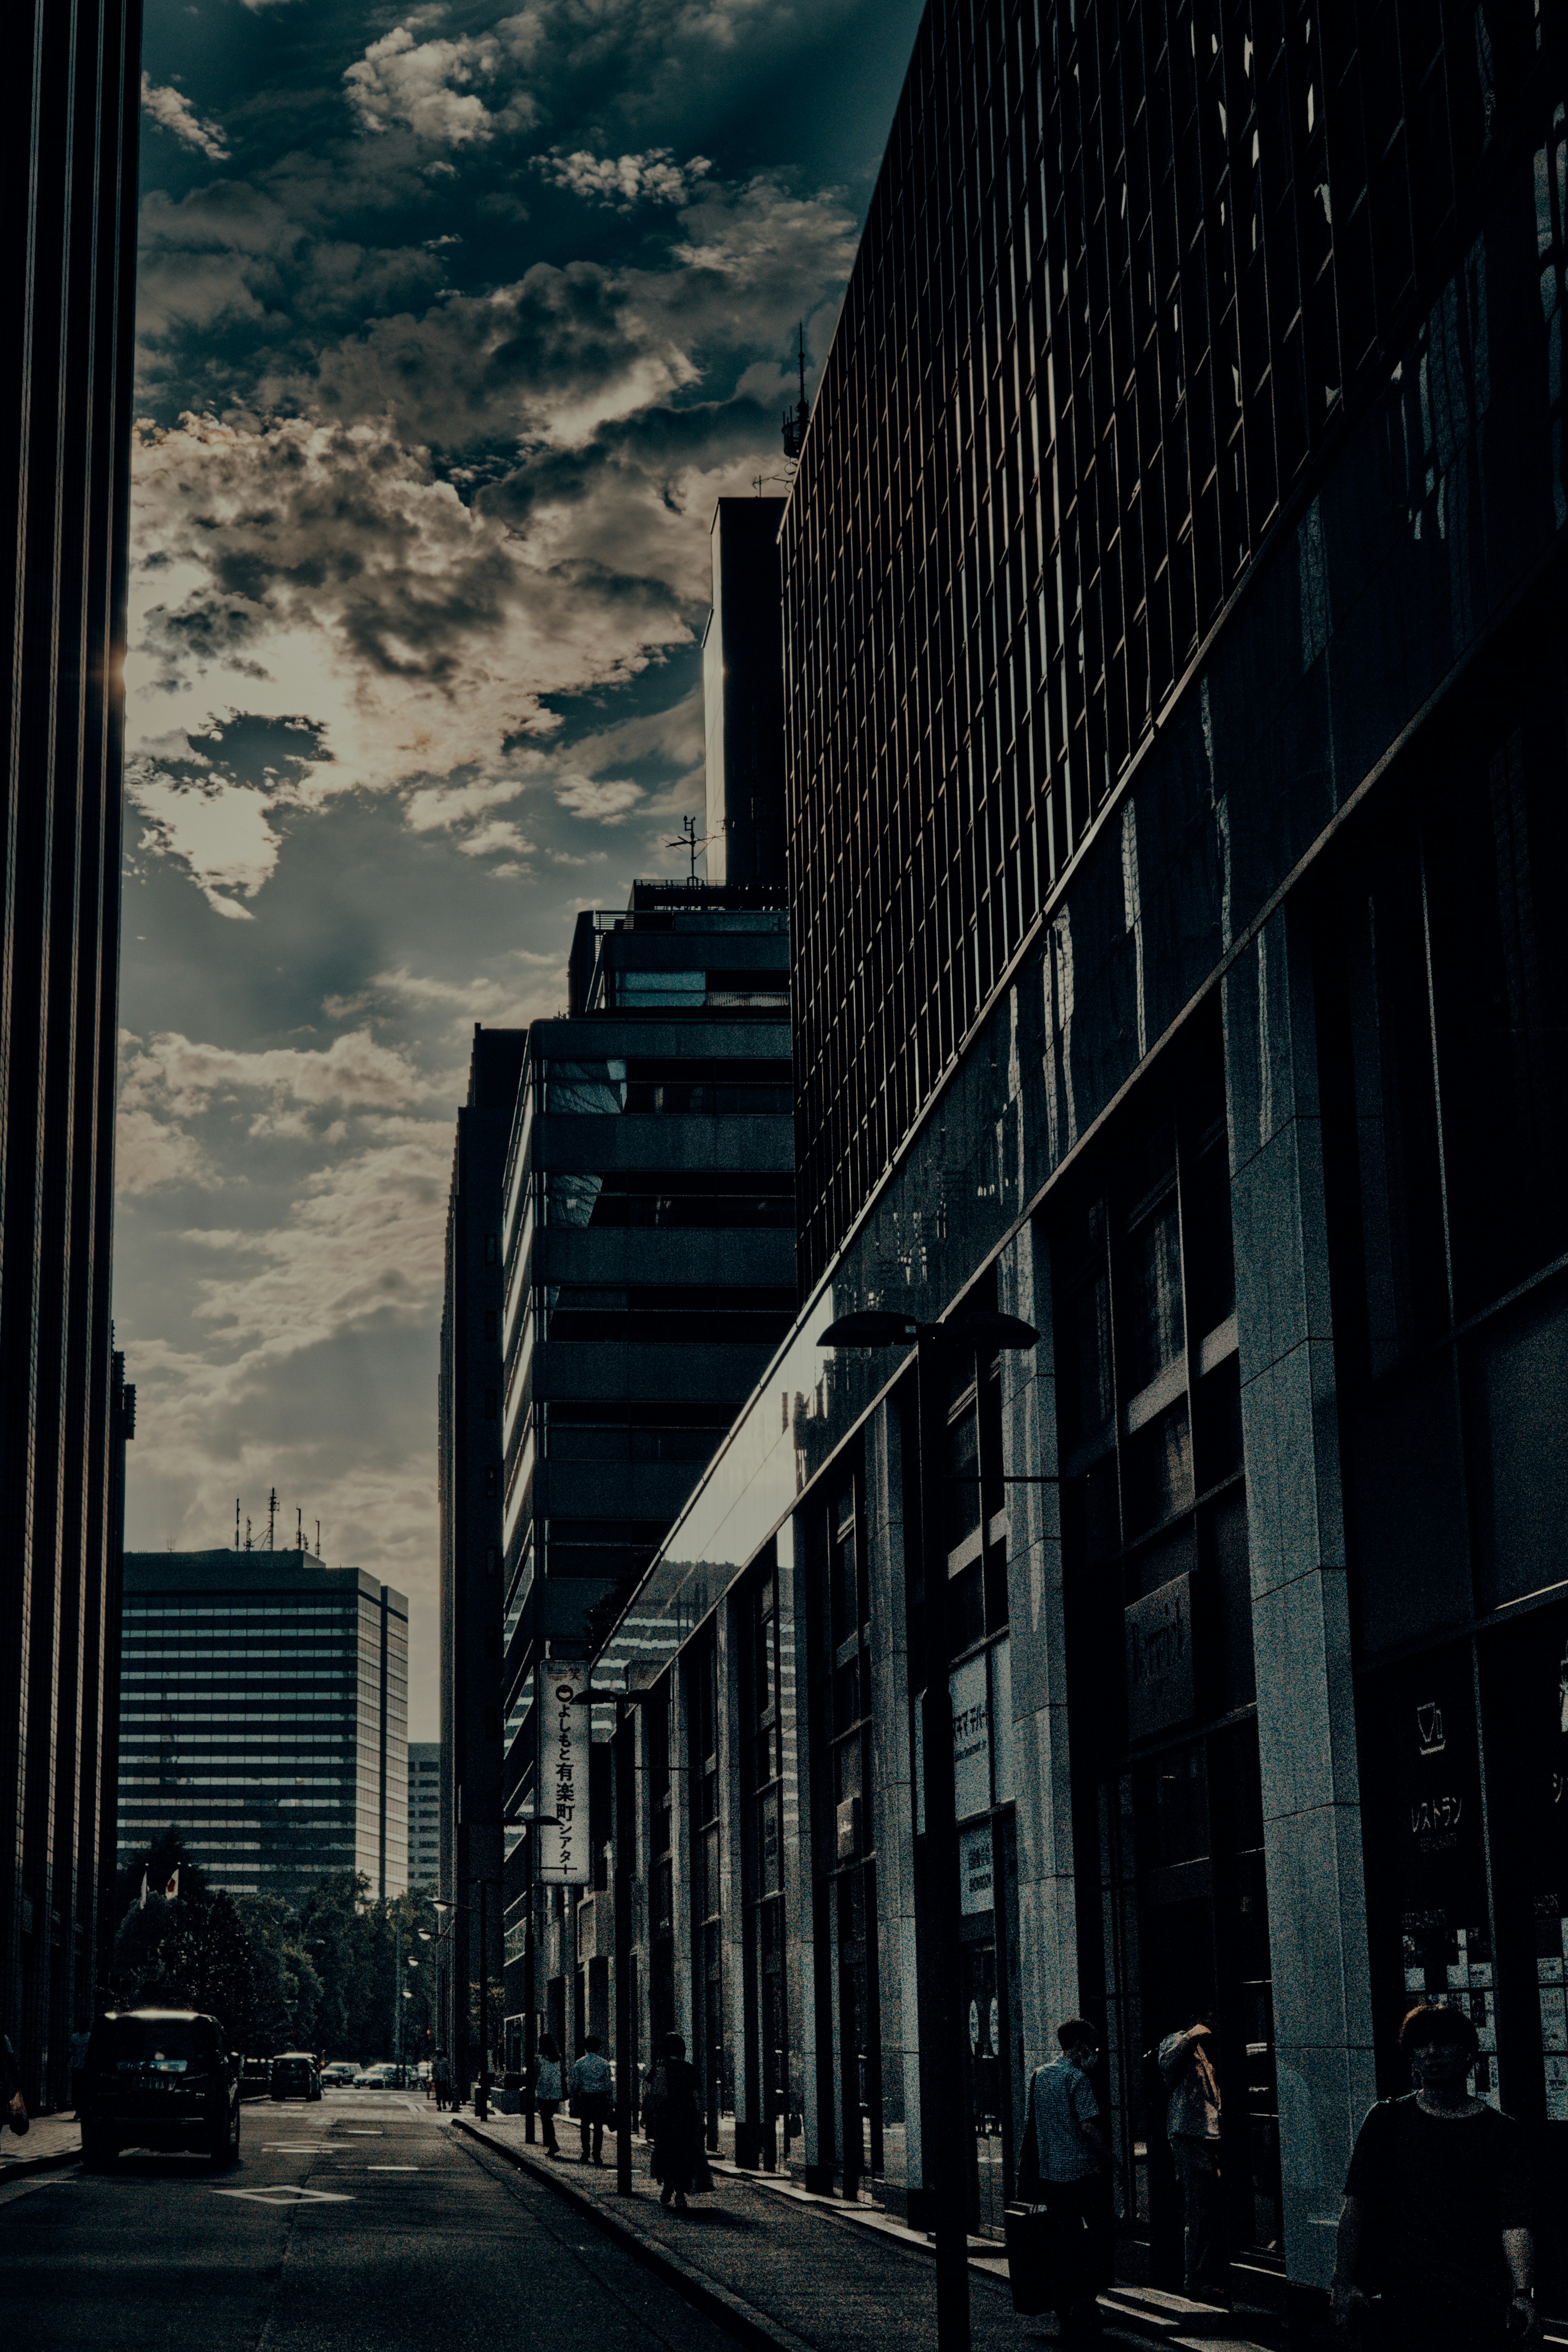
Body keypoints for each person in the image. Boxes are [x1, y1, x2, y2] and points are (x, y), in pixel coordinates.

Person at [1331, 2002, 1539, 2350]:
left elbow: (1515, 2222)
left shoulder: (1503, 2134)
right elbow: (1356, 2207)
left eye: (1443, 2043)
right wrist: (1342, 2283)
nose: (1432, 2053)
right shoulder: (1387, 2121)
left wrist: (1523, 2294)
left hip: (1478, 2303)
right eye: (1421, 2045)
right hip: (1401, 2302)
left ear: (1469, 2054)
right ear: (1411, 2058)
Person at [1017, 2019, 1120, 2345]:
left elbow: (1031, 2127)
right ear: (1078, 2045)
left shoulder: (1039, 2076)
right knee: (1104, 2237)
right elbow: (1088, 2129)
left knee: (1062, 2244)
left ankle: (1068, 2313)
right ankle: (1085, 2302)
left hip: (1050, 2177)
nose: (1095, 2053)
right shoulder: (1077, 2079)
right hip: (1082, 2175)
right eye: (1093, 2045)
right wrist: (1112, 2159)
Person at [1158, 2013, 1224, 2299]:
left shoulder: (1206, 2054)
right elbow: (1167, 2064)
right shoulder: (1178, 2040)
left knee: (1208, 2207)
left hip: (1207, 2136)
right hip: (1189, 2135)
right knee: (1199, 2207)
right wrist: (1192, 2036)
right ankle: (1195, 2279)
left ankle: (1201, 2275)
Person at [644, 2031, 706, 2209]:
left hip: (665, 2117)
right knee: (684, 2154)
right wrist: (701, 2120)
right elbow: (697, 2097)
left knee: (666, 2152)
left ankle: (668, 2184)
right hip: (687, 2117)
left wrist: (646, 2115)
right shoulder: (690, 2069)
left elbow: (652, 2094)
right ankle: (680, 2194)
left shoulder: (660, 2067)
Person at [571, 2032, 614, 2167]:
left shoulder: (580, 2064)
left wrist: (574, 2097)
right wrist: (611, 2100)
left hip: (585, 2097)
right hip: (600, 2097)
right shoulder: (604, 2064)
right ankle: (597, 2154)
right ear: (599, 2047)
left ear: (586, 2048)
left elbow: (576, 2084)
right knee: (598, 2126)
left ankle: (585, 2151)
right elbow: (609, 2084)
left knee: (585, 2125)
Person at [534, 2034, 564, 2156]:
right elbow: (563, 2074)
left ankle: (552, 2144)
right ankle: (551, 2144)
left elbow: (536, 2075)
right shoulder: (559, 2058)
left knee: (546, 2119)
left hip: (542, 2092)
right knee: (548, 2118)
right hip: (556, 2092)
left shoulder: (539, 2059)